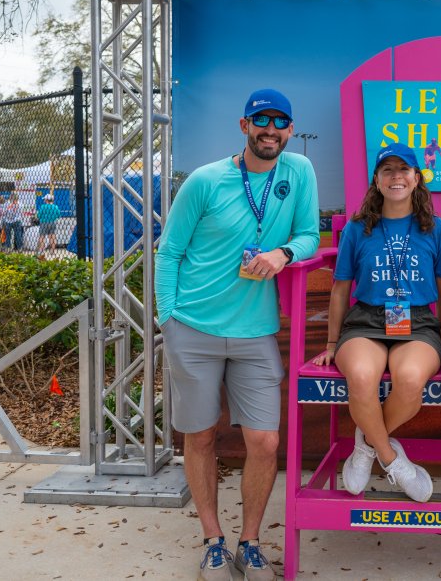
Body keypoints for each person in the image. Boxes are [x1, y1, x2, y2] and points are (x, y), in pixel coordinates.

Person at [156, 88, 319, 581]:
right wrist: (168, 319)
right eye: (261, 120)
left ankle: (250, 542)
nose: (271, 130)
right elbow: (170, 252)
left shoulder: (299, 171)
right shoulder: (205, 181)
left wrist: (283, 254)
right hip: (193, 327)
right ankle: (213, 541)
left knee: (264, 442)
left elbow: (309, 234)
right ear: (244, 125)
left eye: (280, 122)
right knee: (201, 436)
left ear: (290, 130)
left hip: (255, 333)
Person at [310, 142, 441, 503]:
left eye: (403, 169)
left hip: (418, 323)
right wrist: (332, 343)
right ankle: (391, 459)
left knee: (410, 379)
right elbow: (340, 289)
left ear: (417, 178)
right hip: (366, 321)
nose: (395, 177)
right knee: (361, 376)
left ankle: (366, 444)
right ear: (376, 180)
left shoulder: (437, 229)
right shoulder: (358, 229)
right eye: (387, 170)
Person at [36, 193, 60, 259]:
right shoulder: (55, 207)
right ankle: (52, 251)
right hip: (52, 223)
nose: (44, 200)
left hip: (43, 223)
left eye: (44, 199)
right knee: (52, 237)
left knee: (42, 237)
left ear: (46, 200)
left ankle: (42, 251)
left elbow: (38, 215)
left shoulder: (43, 207)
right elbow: (58, 215)